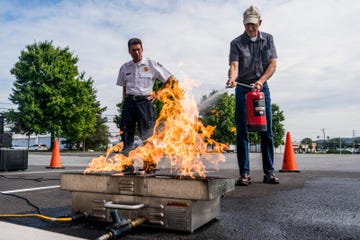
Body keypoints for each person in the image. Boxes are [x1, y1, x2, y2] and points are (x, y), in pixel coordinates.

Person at [226, 5, 279, 186]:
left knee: (267, 131)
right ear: (243, 24)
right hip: (243, 89)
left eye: (253, 25)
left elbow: (272, 64)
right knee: (242, 132)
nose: (250, 28)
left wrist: (261, 81)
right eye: (247, 24)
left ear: (260, 22)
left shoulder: (268, 40)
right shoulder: (236, 43)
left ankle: (269, 172)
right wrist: (232, 78)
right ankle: (245, 174)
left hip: (261, 89)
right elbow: (234, 65)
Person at [116, 38, 173, 169]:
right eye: (133, 50)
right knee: (126, 134)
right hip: (129, 103)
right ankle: (127, 165)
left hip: (145, 103)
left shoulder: (151, 64)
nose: (136, 52)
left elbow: (169, 79)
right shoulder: (125, 67)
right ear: (129, 51)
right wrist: (125, 101)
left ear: (142, 50)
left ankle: (149, 165)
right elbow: (124, 86)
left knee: (147, 135)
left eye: (138, 49)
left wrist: (157, 93)